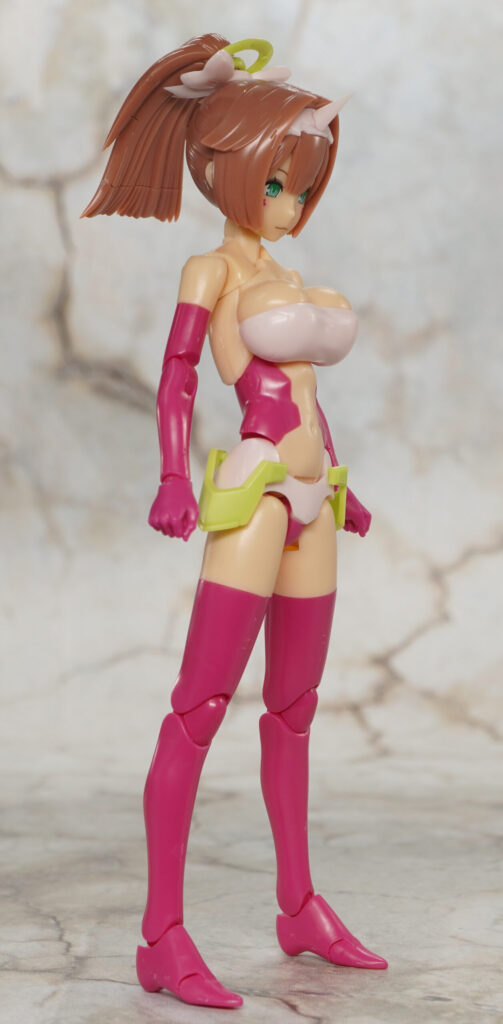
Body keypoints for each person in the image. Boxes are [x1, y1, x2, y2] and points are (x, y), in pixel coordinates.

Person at [83, 32, 388, 1010]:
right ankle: (160, 934)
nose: (292, 204)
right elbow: (178, 377)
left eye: (303, 186)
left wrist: (340, 481)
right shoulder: (209, 273)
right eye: (279, 182)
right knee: (199, 708)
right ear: (224, 169)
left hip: (314, 501)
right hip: (252, 498)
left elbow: (304, 393)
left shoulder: (288, 279)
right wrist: (172, 476)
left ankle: (297, 905)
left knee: (293, 711)